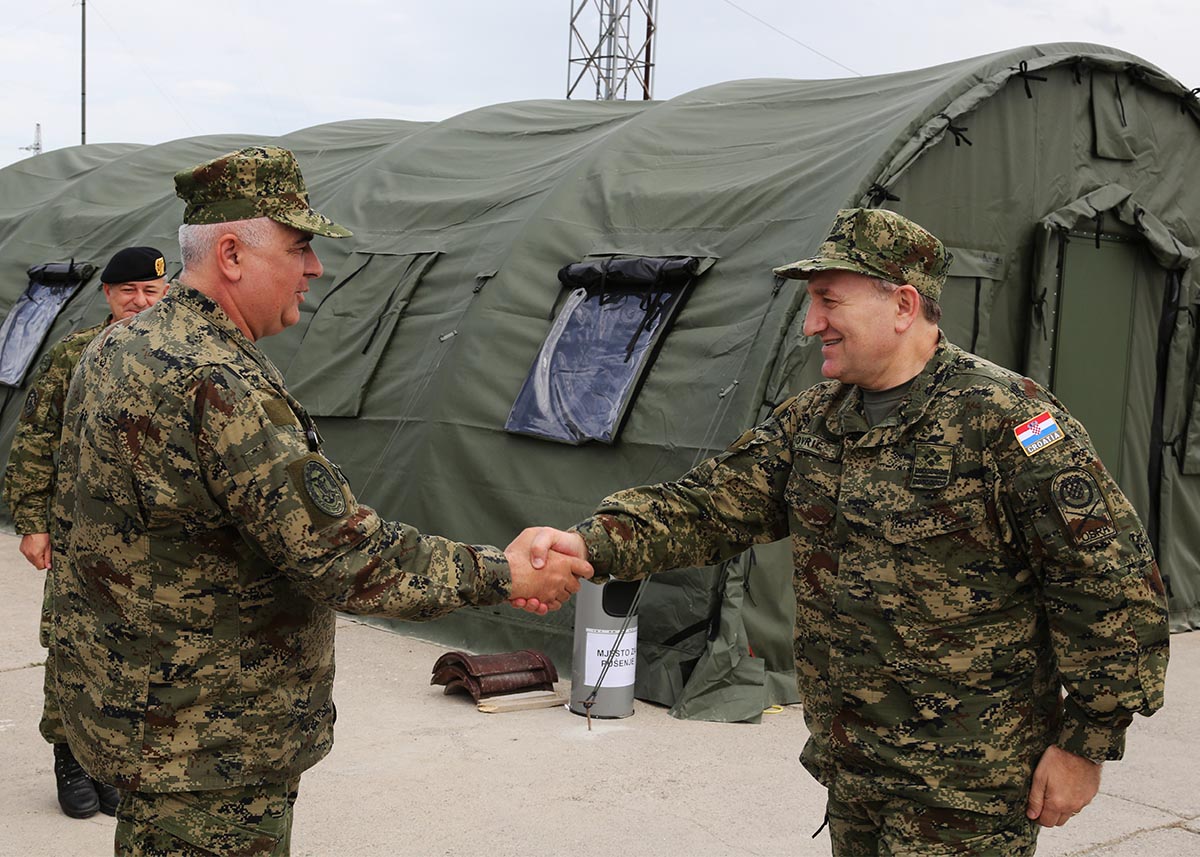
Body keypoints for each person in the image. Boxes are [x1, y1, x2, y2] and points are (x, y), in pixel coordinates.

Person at [511, 208, 1170, 855]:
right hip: (855, 772)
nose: (811, 324)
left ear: (903, 305)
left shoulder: (1007, 421)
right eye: (810, 303)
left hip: (967, 792)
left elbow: (1110, 584)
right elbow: (706, 507)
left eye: (829, 301)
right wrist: (585, 545)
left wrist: (1086, 745)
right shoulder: (815, 422)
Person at [49, 146, 591, 856]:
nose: (316, 268)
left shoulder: (119, 347)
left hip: (144, 715)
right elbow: (343, 556)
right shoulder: (215, 379)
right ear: (232, 254)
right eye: (299, 247)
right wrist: (506, 571)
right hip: (210, 747)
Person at [3, 245, 168, 819]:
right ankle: (70, 757)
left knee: (138, 652)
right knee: (72, 646)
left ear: (166, 294)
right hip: (80, 535)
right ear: (108, 295)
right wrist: (32, 522)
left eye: (150, 292)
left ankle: (110, 762)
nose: (139, 302)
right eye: (128, 292)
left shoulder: (183, 356)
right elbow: (34, 438)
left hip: (153, 541)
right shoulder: (75, 354)